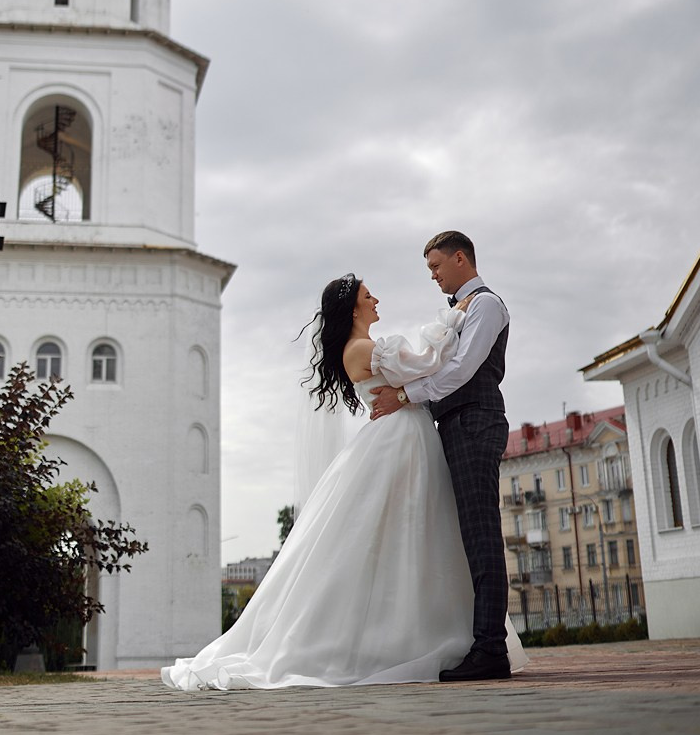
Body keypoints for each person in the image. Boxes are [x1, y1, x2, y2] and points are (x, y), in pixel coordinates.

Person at [161, 273, 525, 691]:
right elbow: (428, 362)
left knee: (411, 531)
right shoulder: (364, 349)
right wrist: (451, 321)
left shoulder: (364, 347)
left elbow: (419, 371)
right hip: (401, 439)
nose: (376, 300)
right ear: (353, 309)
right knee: (406, 529)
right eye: (369, 296)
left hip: (406, 434)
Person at [370, 231, 511, 682]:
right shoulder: (460, 309)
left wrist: (405, 396)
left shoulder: (486, 305)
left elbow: (462, 368)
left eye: (436, 266)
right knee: (463, 535)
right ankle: (475, 641)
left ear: (460, 258)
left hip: (475, 421)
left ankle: (491, 649)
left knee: (481, 534)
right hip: (453, 422)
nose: (433, 275)